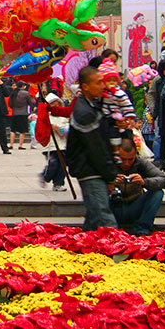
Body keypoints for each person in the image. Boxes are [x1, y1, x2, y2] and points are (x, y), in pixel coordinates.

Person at [57, 66, 118, 231]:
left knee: (93, 220)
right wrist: (110, 175)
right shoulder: (84, 112)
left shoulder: (93, 105)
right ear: (85, 86)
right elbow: (96, 148)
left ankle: (82, 253)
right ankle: (117, 253)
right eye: (98, 83)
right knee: (106, 221)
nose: (103, 86)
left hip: (94, 169)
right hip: (91, 171)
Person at [110, 137, 165, 235]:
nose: (126, 163)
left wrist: (144, 182)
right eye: (123, 159)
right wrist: (110, 182)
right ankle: (106, 227)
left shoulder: (141, 162)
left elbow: (164, 180)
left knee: (158, 193)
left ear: (136, 154)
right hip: (112, 208)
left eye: (130, 159)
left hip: (135, 206)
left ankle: (142, 230)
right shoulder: (108, 163)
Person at [100, 59, 136, 147]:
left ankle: (116, 151)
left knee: (116, 135)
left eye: (114, 80)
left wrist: (129, 117)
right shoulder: (100, 93)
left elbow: (126, 104)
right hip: (105, 121)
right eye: (109, 80)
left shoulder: (119, 93)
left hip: (116, 118)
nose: (112, 83)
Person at [38, 94, 69, 192]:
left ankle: (58, 183)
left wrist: (61, 129)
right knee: (53, 164)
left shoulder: (64, 117)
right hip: (51, 146)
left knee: (62, 166)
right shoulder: (46, 117)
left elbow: (68, 129)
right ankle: (45, 176)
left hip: (62, 145)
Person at [8, 81, 34, 150]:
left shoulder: (13, 93)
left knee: (13, 129)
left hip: (15, 113)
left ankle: (11, 144)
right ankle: (20, 145)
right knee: (22, 130)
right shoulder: (25, 93)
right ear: (23, 86)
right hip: (23, 113)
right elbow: (30, 102)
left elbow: (10, 104)